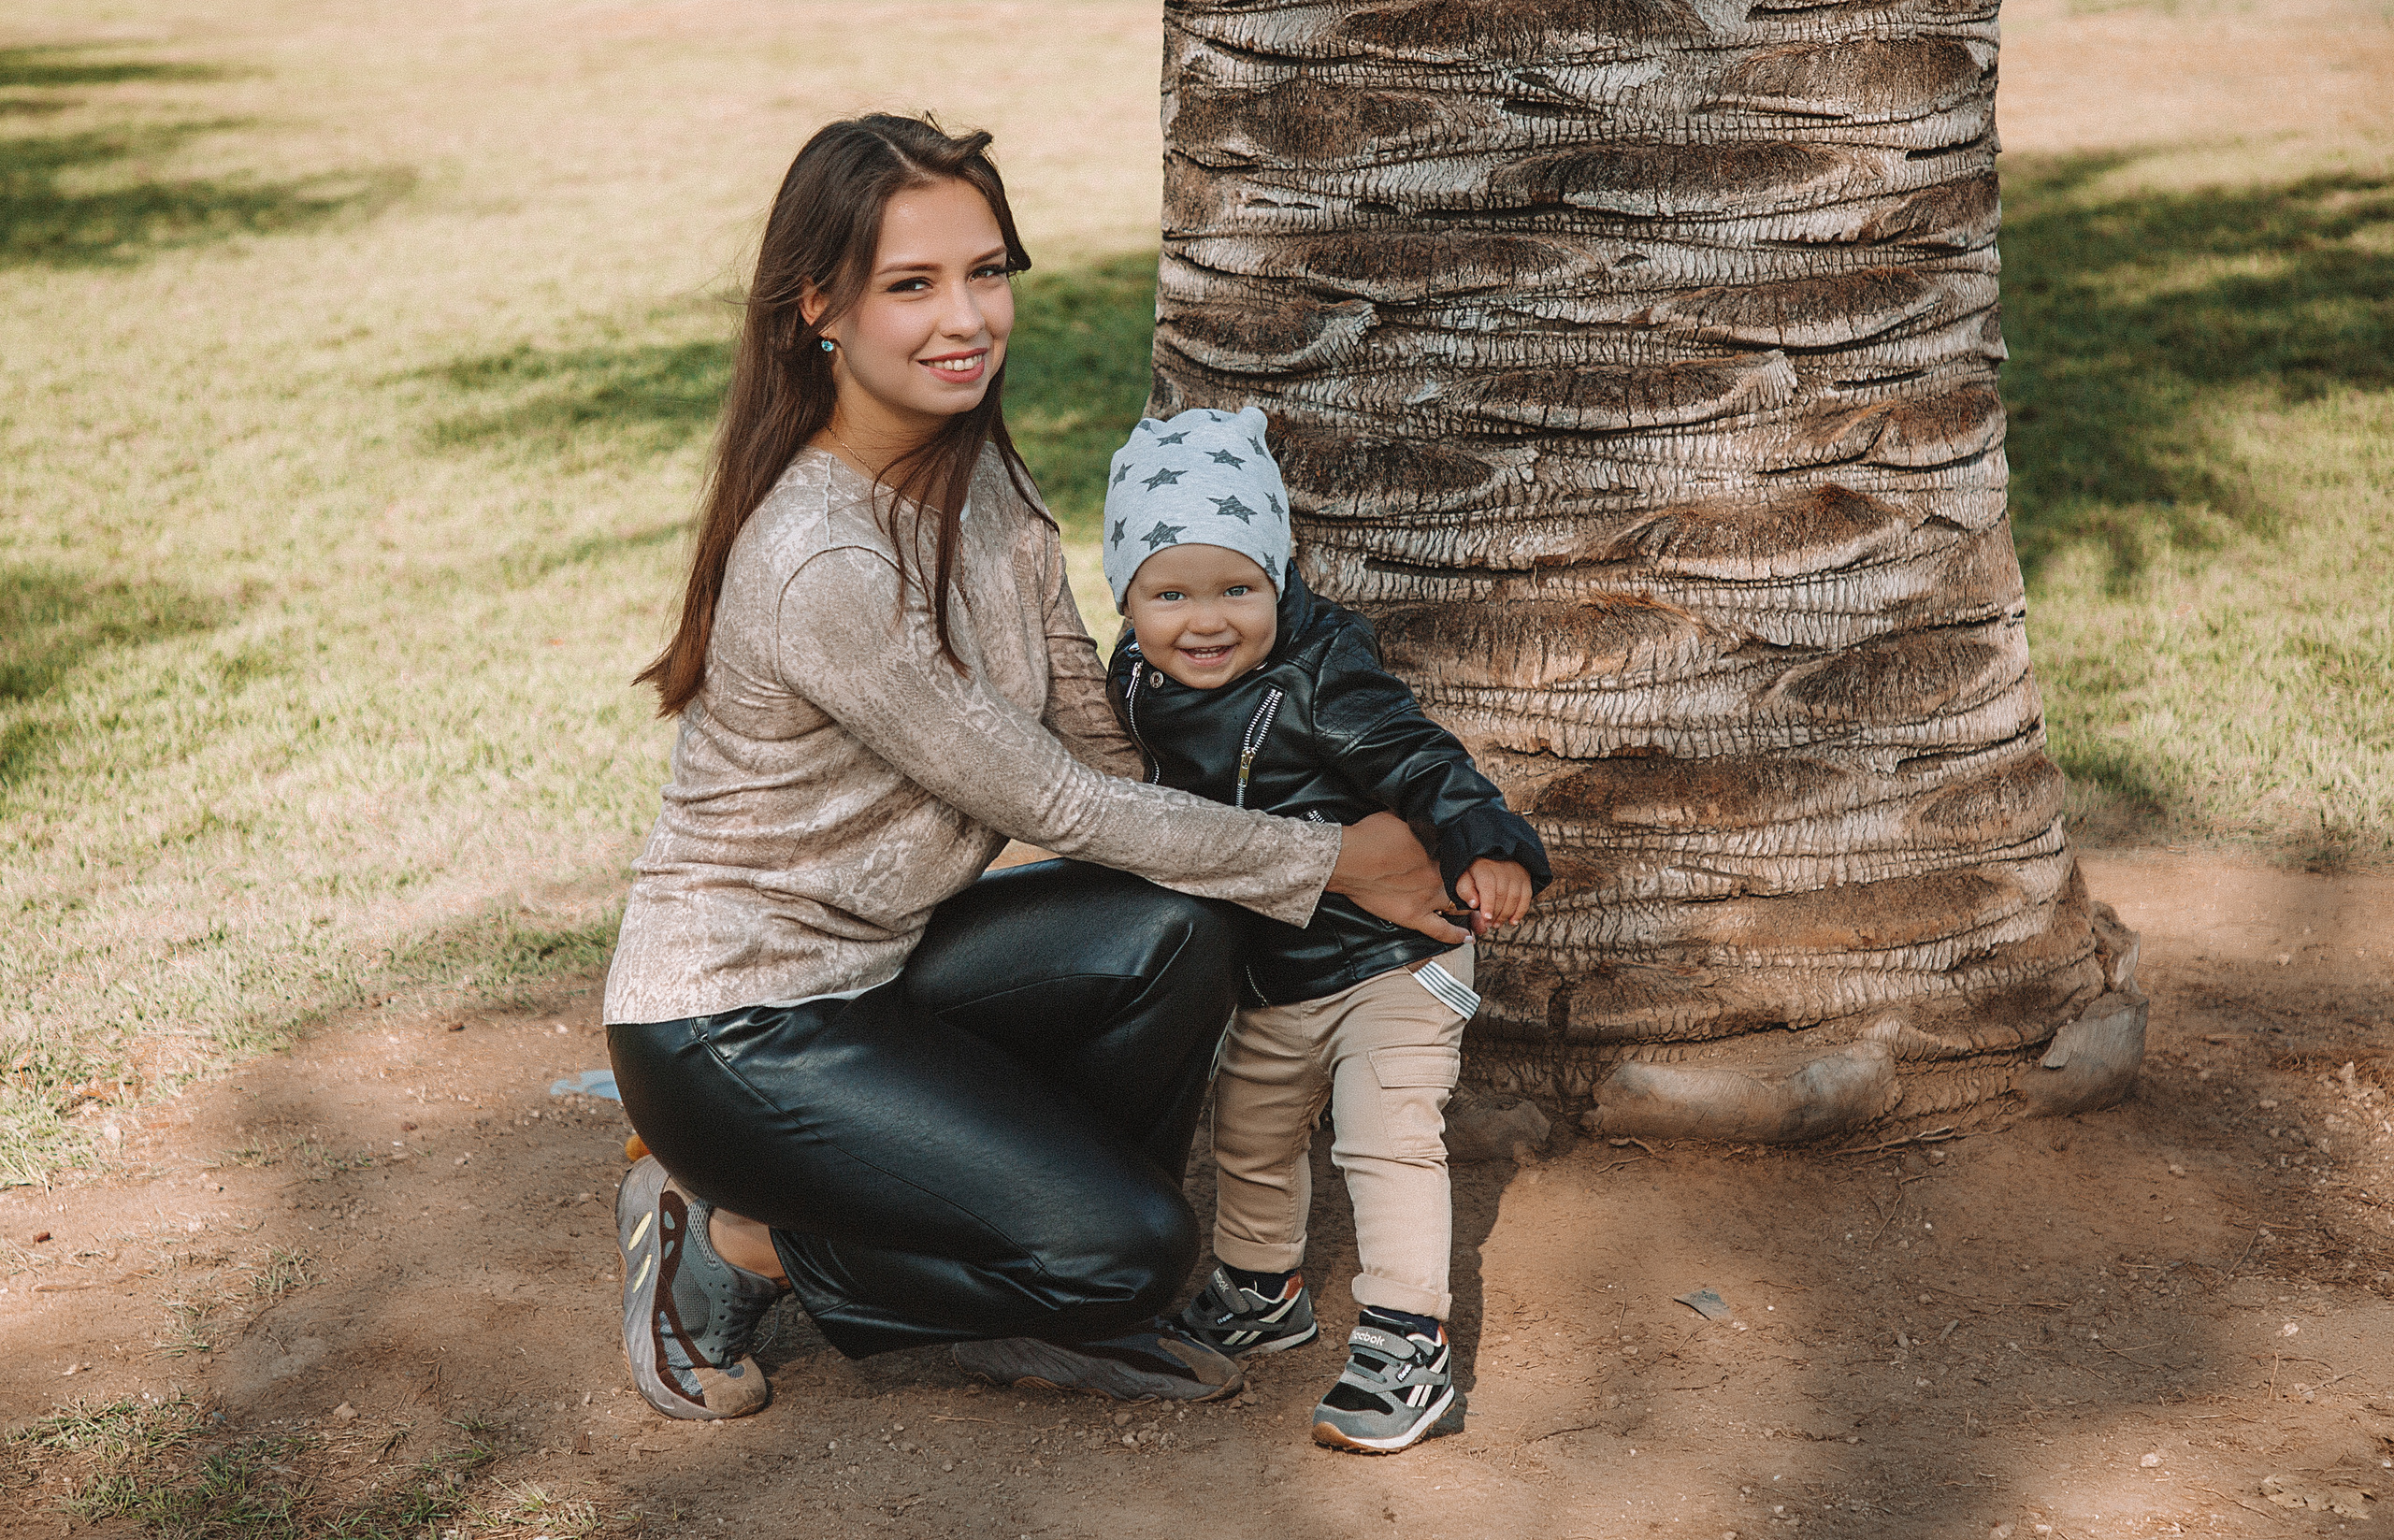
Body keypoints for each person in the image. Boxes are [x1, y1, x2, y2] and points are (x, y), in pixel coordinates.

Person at [599, 113, 1466, 1422]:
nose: (968, 318)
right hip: (738, 1028)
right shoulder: (822, 556)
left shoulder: (969, 462)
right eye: (913, 283)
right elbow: (1045, 800)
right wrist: (1331, 855)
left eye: (988, 271)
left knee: (1181, 922)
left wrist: (1284, 866)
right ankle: (730, 1240)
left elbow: (1084, 714)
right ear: (817, 307)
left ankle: (1048, 1272)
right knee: (1138, 1249)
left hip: (883, 969)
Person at [1099, 405, 1551, 1452]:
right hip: (1273, 971)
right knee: (1251, 1135)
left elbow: (1417, 755)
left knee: (1385, 1137)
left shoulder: (1320, 676)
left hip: (1398, 959)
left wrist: (1488, 842)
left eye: (1237, 589)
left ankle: (1407, 1341)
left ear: (1279, 580)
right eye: (1170, 594)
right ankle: (1262, 1292)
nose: (1204, 621)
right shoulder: (1129, 682)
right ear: (1127, 595)